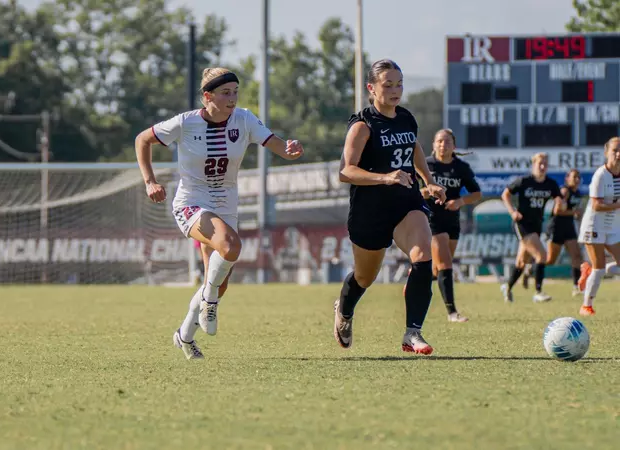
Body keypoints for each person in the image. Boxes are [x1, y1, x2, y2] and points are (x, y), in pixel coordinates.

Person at [134, 67, 304, 360]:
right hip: (191, 202)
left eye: (235, 92)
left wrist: (288, 150)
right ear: (207, 96)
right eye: (225, 93)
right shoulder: (185, 123)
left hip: (226, 204)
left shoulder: (245, 119)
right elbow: (142, 139)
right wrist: (150, 181)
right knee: (231, 246)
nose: (232, 98)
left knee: (219, 280)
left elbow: (274, 142)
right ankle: (209, 302)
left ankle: (184, 336)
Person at [333, 59, 446, 355]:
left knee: (423, 256)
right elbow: (346, 171)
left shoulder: (406, 117)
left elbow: (414, 146)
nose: (396, 90)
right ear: (371, 88)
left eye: (399, 83)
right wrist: (385, 177)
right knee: (364, 278)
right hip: (370, 212)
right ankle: (344, 309)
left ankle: (413, 333)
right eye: (388, 84)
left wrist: (429, 179)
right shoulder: (363, 125)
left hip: (406, 203)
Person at [421, 128, 482, 322]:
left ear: (454, 146)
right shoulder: (426, 165)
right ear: (433, 145)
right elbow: (410, 190)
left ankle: (417, 278)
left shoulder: (461, 168)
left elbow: (476, 193)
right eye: (439, 141)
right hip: (431, 218)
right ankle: (452, 313)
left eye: (447, 142)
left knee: (439, 268)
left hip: (452, 220)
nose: (443, 145)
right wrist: (425, 192)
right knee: (446, 264)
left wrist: (460, 202)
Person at [499, 153, 561, 303]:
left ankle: (507, 287)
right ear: (533, 164)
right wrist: (512, 211)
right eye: (539, 163)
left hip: (537, 224)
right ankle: (538, 292)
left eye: (545, 164)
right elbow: (505, 194)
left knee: (521, 262)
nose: (542, 166)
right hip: (523, 224)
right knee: (542, 256)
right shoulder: (524, 181)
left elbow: (559, 198)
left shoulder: (550, 184)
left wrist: (560, 204)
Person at [575, 137, 620, 316]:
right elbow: (596, 205)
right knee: (599, 269)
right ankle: (586, 305)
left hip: (613, 226)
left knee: (599, 268)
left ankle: (589, 270)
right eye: (615, 150)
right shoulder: (601, 175)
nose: (618, 154)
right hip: (594, 224)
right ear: (606, 152)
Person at [545, 169, 585, 296]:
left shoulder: (577, 193)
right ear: (567, 179)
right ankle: (532, 268)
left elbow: (576, 212)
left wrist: (578, 215)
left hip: (569, 228)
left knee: (577, 256)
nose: (577, 179)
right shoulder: (564, 191)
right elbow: (557, 211)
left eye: (578, 177)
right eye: (574, 177)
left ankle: (576, 287)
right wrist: (574, 213)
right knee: (550, 260)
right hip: (556, 228)